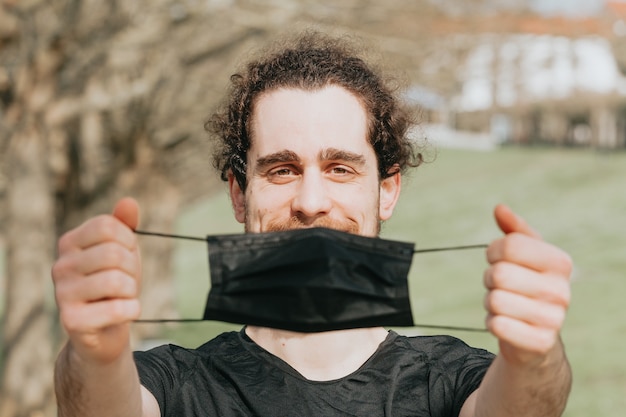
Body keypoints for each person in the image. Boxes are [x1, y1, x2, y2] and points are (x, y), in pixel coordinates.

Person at [52, 31, 572, 417]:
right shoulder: (174, 384)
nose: (311, 201)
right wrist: (95, 352)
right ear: (239, 192)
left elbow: (526, 405)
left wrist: (533, 354)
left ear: (387, 189)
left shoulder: (451, 382)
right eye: (282, 169)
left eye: (340, 168)